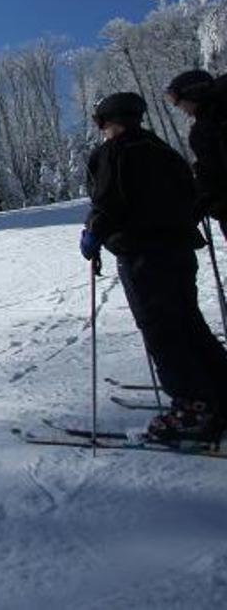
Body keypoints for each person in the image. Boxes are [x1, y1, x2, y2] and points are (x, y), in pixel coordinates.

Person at [82, 91, 227, 443]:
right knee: (188, 321)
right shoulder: (163, 151)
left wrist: (93, 233)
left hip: (142, 254)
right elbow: (194, 195)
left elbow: (108, 201)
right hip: (178, 251)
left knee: (162, 330)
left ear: (106, 121)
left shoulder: (113, 153)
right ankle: (221, 393)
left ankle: (193, 407)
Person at [165, 69, 227, 235]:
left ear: (194, 94)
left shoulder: (207, 129)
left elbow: (212, 174)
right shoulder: (214, 119)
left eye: (179, 101)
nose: (179, 108)